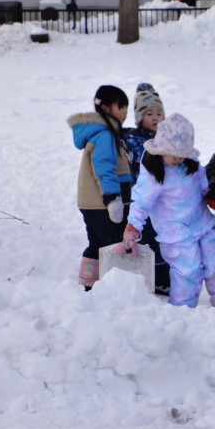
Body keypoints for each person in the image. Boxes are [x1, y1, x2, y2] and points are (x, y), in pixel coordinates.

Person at [118, 113, 215, 316]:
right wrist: (133, 227)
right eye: (174, 154)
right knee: (187, 270)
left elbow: (205, 189)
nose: (178, 158)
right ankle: (182, 310)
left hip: (202, 224)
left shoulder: (191, 166)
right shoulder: (154, 176)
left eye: (182, 154)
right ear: (161, 149)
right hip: (176, 233)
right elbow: (141, 203)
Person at [68, 85, 132, 290]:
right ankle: (110, 287)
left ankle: (88, 284)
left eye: (126, 107)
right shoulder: (105, 135)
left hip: (93, 204)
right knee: (112, 245)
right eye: (121, 106)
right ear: (105, 108)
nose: (125, 112)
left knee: (97, 243)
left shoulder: (103, 133)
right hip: (104, 203)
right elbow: (104, 167)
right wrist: (112, 198)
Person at [124, 82, 171, 296]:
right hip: (143, 199)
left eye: (159, 113)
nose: (155, 118)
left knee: (163, 239)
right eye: (149, 113)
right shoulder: (133, 140)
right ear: (139, 117)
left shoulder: (165, 140)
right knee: (150, 239)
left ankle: (164, 277)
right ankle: (159, 279)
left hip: (162, 201)